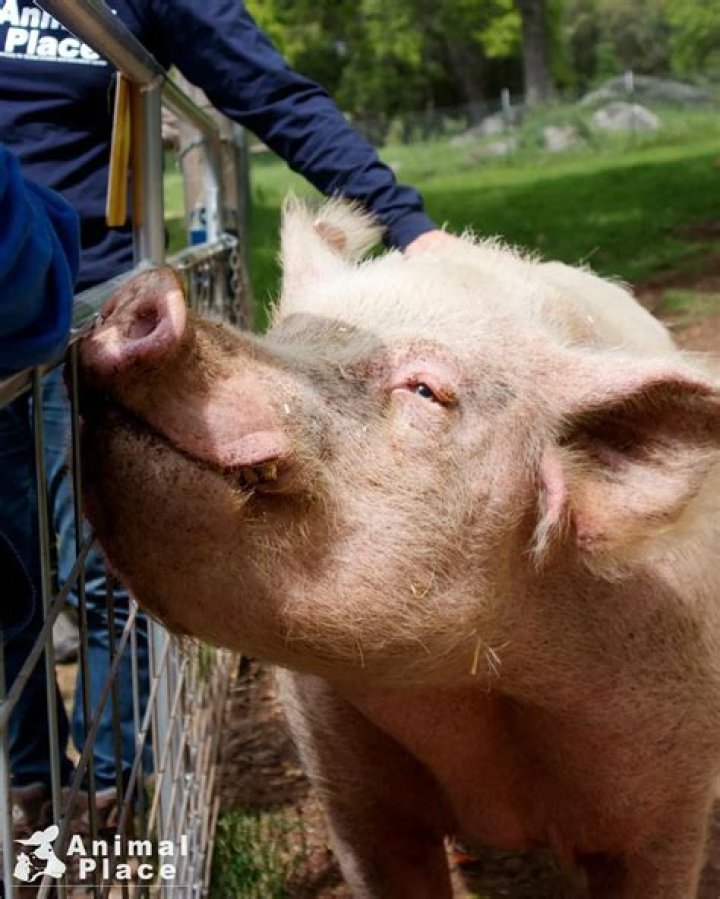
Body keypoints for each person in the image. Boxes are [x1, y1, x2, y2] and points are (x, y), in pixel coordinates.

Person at [0, 0, 451, 841]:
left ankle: (107, 792)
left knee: (99, 567)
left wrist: (411, 228)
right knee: (11, 582)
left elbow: (269, 92)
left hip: (88, 307)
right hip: (2, 312)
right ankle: (30, 783)